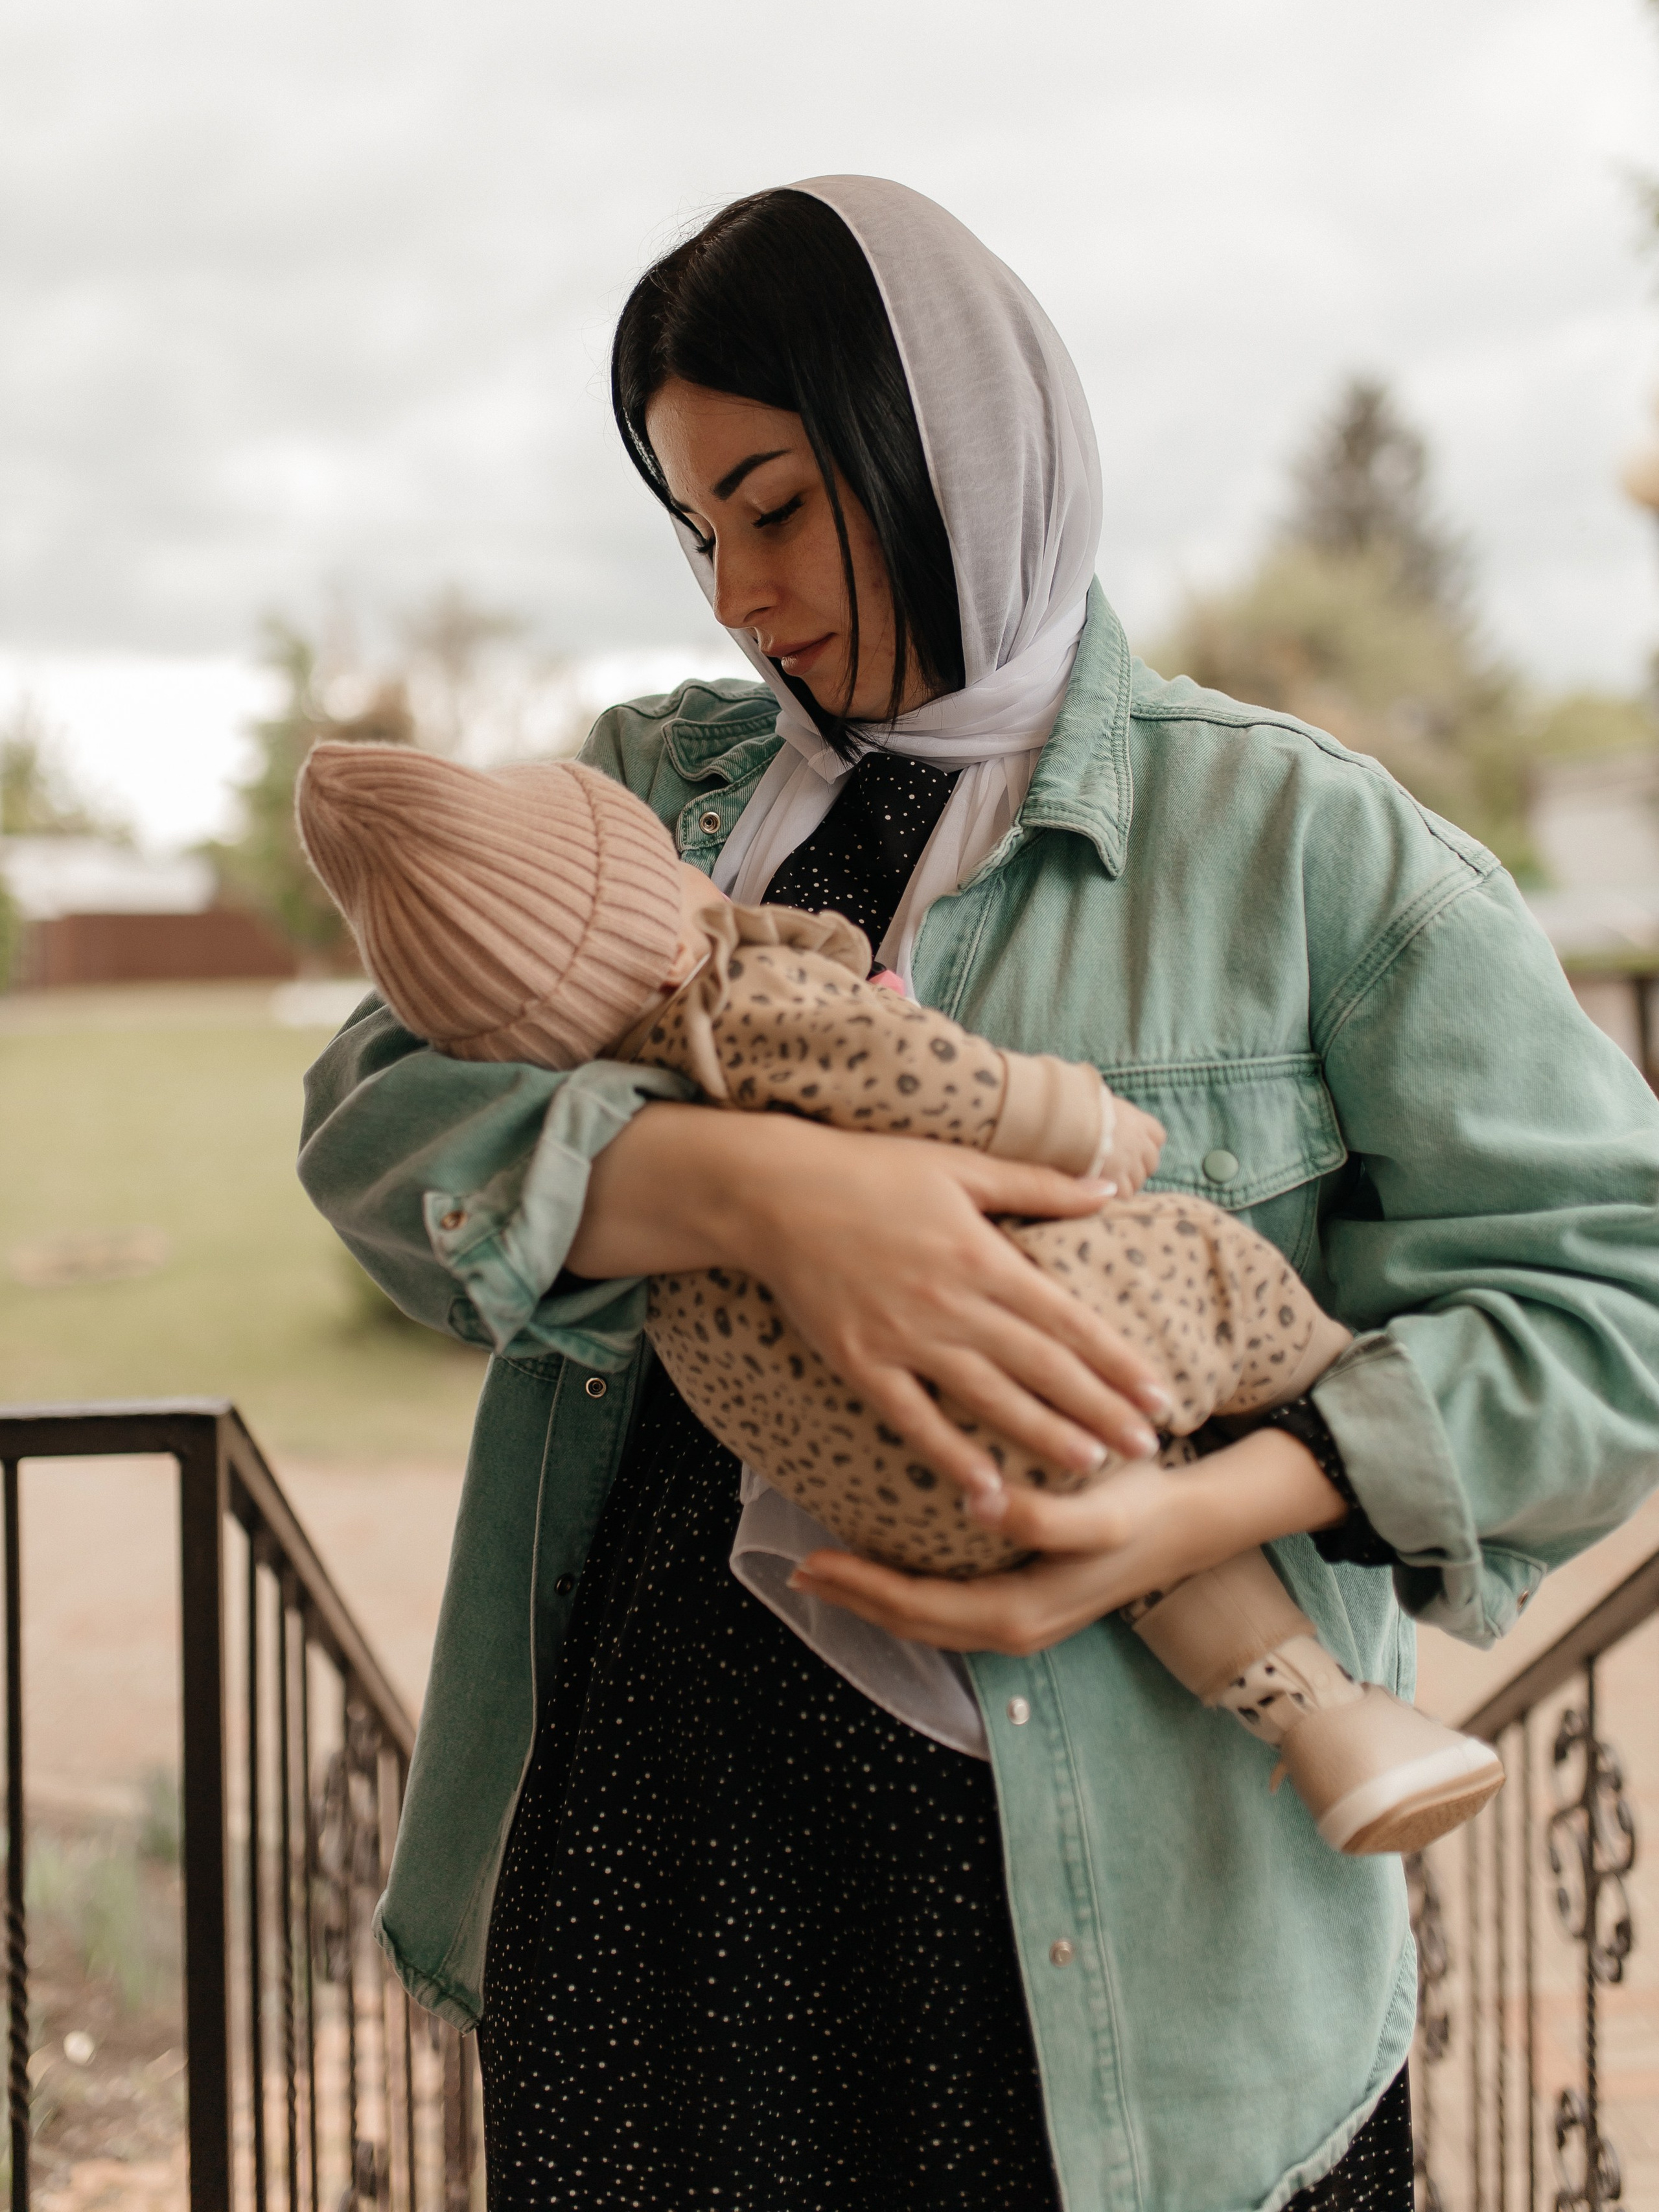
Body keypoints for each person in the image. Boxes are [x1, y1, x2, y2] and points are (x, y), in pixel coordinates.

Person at [298, 178, 1659, 2212]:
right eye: (698, 533)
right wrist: (752, 1196)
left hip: (1132, 1981)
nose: (740, 599)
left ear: (947, 439)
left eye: (774, 504)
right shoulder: (644, 799)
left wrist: (1188, 1513)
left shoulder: (1311, 853)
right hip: (654, 1881)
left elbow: (1611, 1316)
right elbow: (374, 1127)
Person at [296, 730, 1506, 1859]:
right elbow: (915, 1072)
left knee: (1145, 1534)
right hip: (1047, 1360)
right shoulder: (738, 1000)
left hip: (909, 1491)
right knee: (1211, 1275)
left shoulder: (618, 1120)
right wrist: (1068, 1118)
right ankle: (1333, 1410)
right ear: (662, 932)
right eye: (666, 866)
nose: (736, 594)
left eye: (773, 513)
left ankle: (1323, 1719)